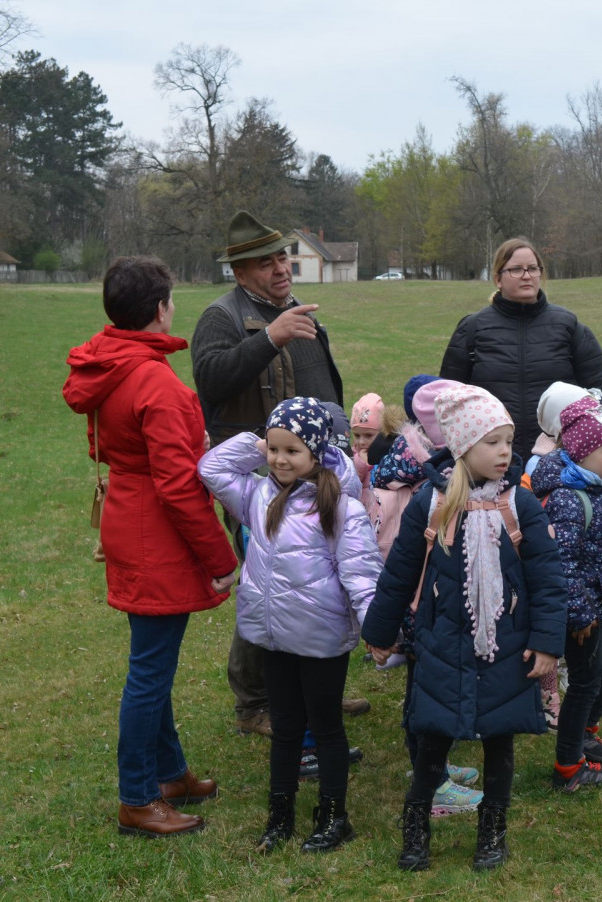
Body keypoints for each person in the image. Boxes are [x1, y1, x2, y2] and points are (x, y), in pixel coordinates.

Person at [63, 256, 239, 838]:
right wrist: (220, 558)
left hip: (130, 520)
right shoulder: (154, 381)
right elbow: (178, 485)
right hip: (156, 535)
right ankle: (138, 798)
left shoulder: (112, 363)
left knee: (152, 661)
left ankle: (168, 772)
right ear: (160, 308)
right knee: (150, 671)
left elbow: (120, 446)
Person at [361, 386, 568, 872]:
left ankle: (492, 832)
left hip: (507, 648)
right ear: (462, 448)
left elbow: (548, 581)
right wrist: (381, 630)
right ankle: (415, 830)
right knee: (431, 741)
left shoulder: (521, 505)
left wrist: (545, 645)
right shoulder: (431, 505)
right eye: (492, 442)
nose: (504, 453)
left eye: (508, 441)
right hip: (440, 646)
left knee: (500, 744)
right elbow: (400, 573)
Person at [199, 397, 383, 854]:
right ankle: (279, 815)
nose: (279, 460)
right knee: (284, 728)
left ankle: (333, 815)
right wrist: (258, 445)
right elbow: (212, 469)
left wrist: (377, 629)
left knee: (325, 727)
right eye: (274, 450)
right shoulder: (258, 494)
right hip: (274, 637)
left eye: (292, 451)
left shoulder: (340, 506)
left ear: (317, 453)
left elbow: (361, 574)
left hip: (321, 642)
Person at [191, 210, 347, 737]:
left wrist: (342, 441)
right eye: (266, 262)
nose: (281, 267)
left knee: (319, 579)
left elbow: (324, 387)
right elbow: (210, 381)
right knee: (268, 583)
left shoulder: (294, 310)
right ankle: (255, 702)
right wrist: (269, 339)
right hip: (261, 477)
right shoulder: (222, 316)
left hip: (315, 474)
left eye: (282, 256)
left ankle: (311, 687)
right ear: (239, 271)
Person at [531, 396, 602, 792]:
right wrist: (579, 616)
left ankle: (586, 732)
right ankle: (569, 767)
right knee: (584, 683)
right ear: (580, 450)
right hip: (584, 616)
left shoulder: (601, 487)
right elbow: (563, 564)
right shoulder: (566, 498)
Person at [439, 237, 602, 464]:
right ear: (497, 279)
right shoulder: (472, 329)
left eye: (533, 269)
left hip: (560, 459)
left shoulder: (569, 326)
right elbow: (448, 399)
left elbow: (601, 395)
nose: (526, 275)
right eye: (516, 269)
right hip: (488, 462)